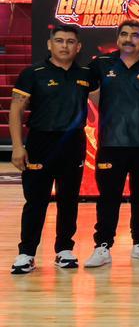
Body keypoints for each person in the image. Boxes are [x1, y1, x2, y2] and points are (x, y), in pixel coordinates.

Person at [9, 24, 96, 274]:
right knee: (36, 201)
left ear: (78, 47)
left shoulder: (86, 74)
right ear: (50, 44)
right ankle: (26, 252)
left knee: (69, 200)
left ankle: (64, 250)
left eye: (70, 42)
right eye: (59, 41)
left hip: (73, 144)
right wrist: (17, 146)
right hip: (40, 144)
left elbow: (104, 103)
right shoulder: (32, 73)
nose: (65, 46)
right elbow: (16, 110)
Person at [83, 20, 139, 269]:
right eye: (124, 34)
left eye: (135, 35)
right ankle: (103, 246)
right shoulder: (101, 64)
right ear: (118, 38)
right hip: (111, 144)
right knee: (108, 197)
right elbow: (89, 92)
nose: (129, 39)